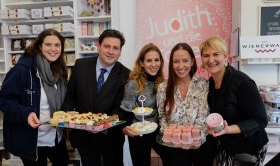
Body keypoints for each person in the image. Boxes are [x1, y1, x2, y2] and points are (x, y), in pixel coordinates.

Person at [0, 28, 69, 166]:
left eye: (57, 45)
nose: (53, 49)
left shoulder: (59, 71)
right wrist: (26, 113)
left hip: (56, 136)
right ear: (39, 46)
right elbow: (4, 101)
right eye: (48, 44)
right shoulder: (22, 70)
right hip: (33, 141)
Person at [62, 29, 130, 166]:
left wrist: (101, 125)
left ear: (120, 51)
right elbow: (70, 96)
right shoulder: (80, 66)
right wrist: (69, 119)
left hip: (111, 138)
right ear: (98, 46)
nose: (111, 51)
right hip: (83, 136)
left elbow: (122, 107)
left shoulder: (127, 75)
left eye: (115, 48)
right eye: (107, 46)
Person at [200, 36, 268, 166]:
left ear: (225, 57)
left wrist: (228, 129)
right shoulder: (210, 83)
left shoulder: (242, 82)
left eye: (216, 54)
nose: (211, 60)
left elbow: (260, 120)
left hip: (248, 149)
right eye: (206, 55)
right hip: (226, 146)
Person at [156, 43, 216, 166]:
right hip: (173, 146)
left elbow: (204, 115)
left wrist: (196, 139)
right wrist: (173, 137)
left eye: (185, 61)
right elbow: (162, 117)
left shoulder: (203, 84)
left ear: (192, 61)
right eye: (176, 61)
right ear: (171, 64)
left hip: (200, 144)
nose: (180, 66)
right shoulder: (163, 87)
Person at [120, 43, 165, 166]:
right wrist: (127, 129)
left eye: (157, 60)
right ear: (141, 63)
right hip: (138, 133)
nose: (153, 64)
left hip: (157, 130)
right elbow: (126, 110)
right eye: (149, 60)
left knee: (171, 157)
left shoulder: (162, 82)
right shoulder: (133, 84)